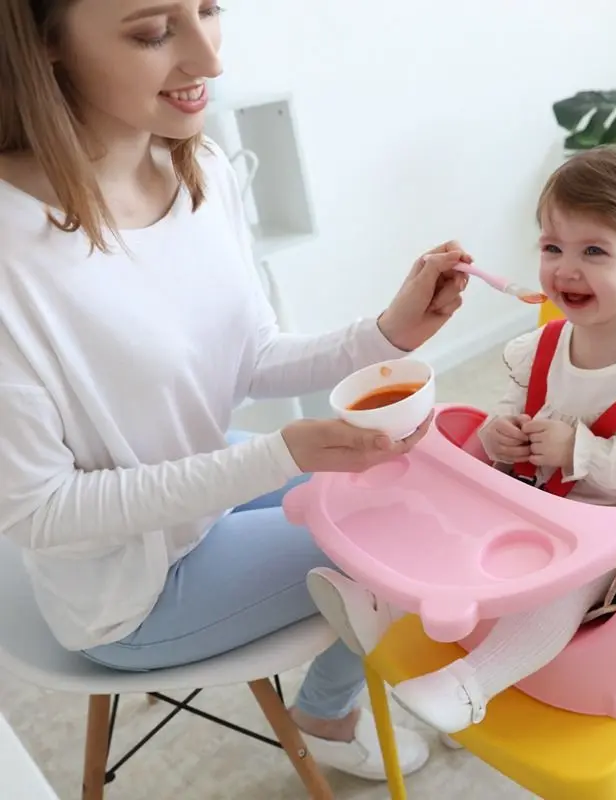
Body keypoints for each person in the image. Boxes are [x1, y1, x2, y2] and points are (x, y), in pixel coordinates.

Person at [0, 0, 472, 781]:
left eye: (209, 9)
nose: (210, 60)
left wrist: (385, 334)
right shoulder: (12, 250)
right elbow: (36, 510)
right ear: (44, 42)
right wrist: (277, 457)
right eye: (154, 32)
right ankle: (329, 712)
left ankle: (368, 688)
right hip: (129, 588)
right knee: (403, 538)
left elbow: (245, 354)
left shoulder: (201, 168)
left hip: (198, 493)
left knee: (415, 481)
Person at [307, 144, 616, 734]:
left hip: (608, 530)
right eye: (553, 248)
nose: (565, 269)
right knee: (449, 516)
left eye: (594, 251)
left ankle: (473, 686)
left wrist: (578, 451)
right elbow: (515, 405)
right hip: (531, 501)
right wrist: (500, 434)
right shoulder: (545, 345)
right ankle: (384, 605)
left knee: (563, 591)